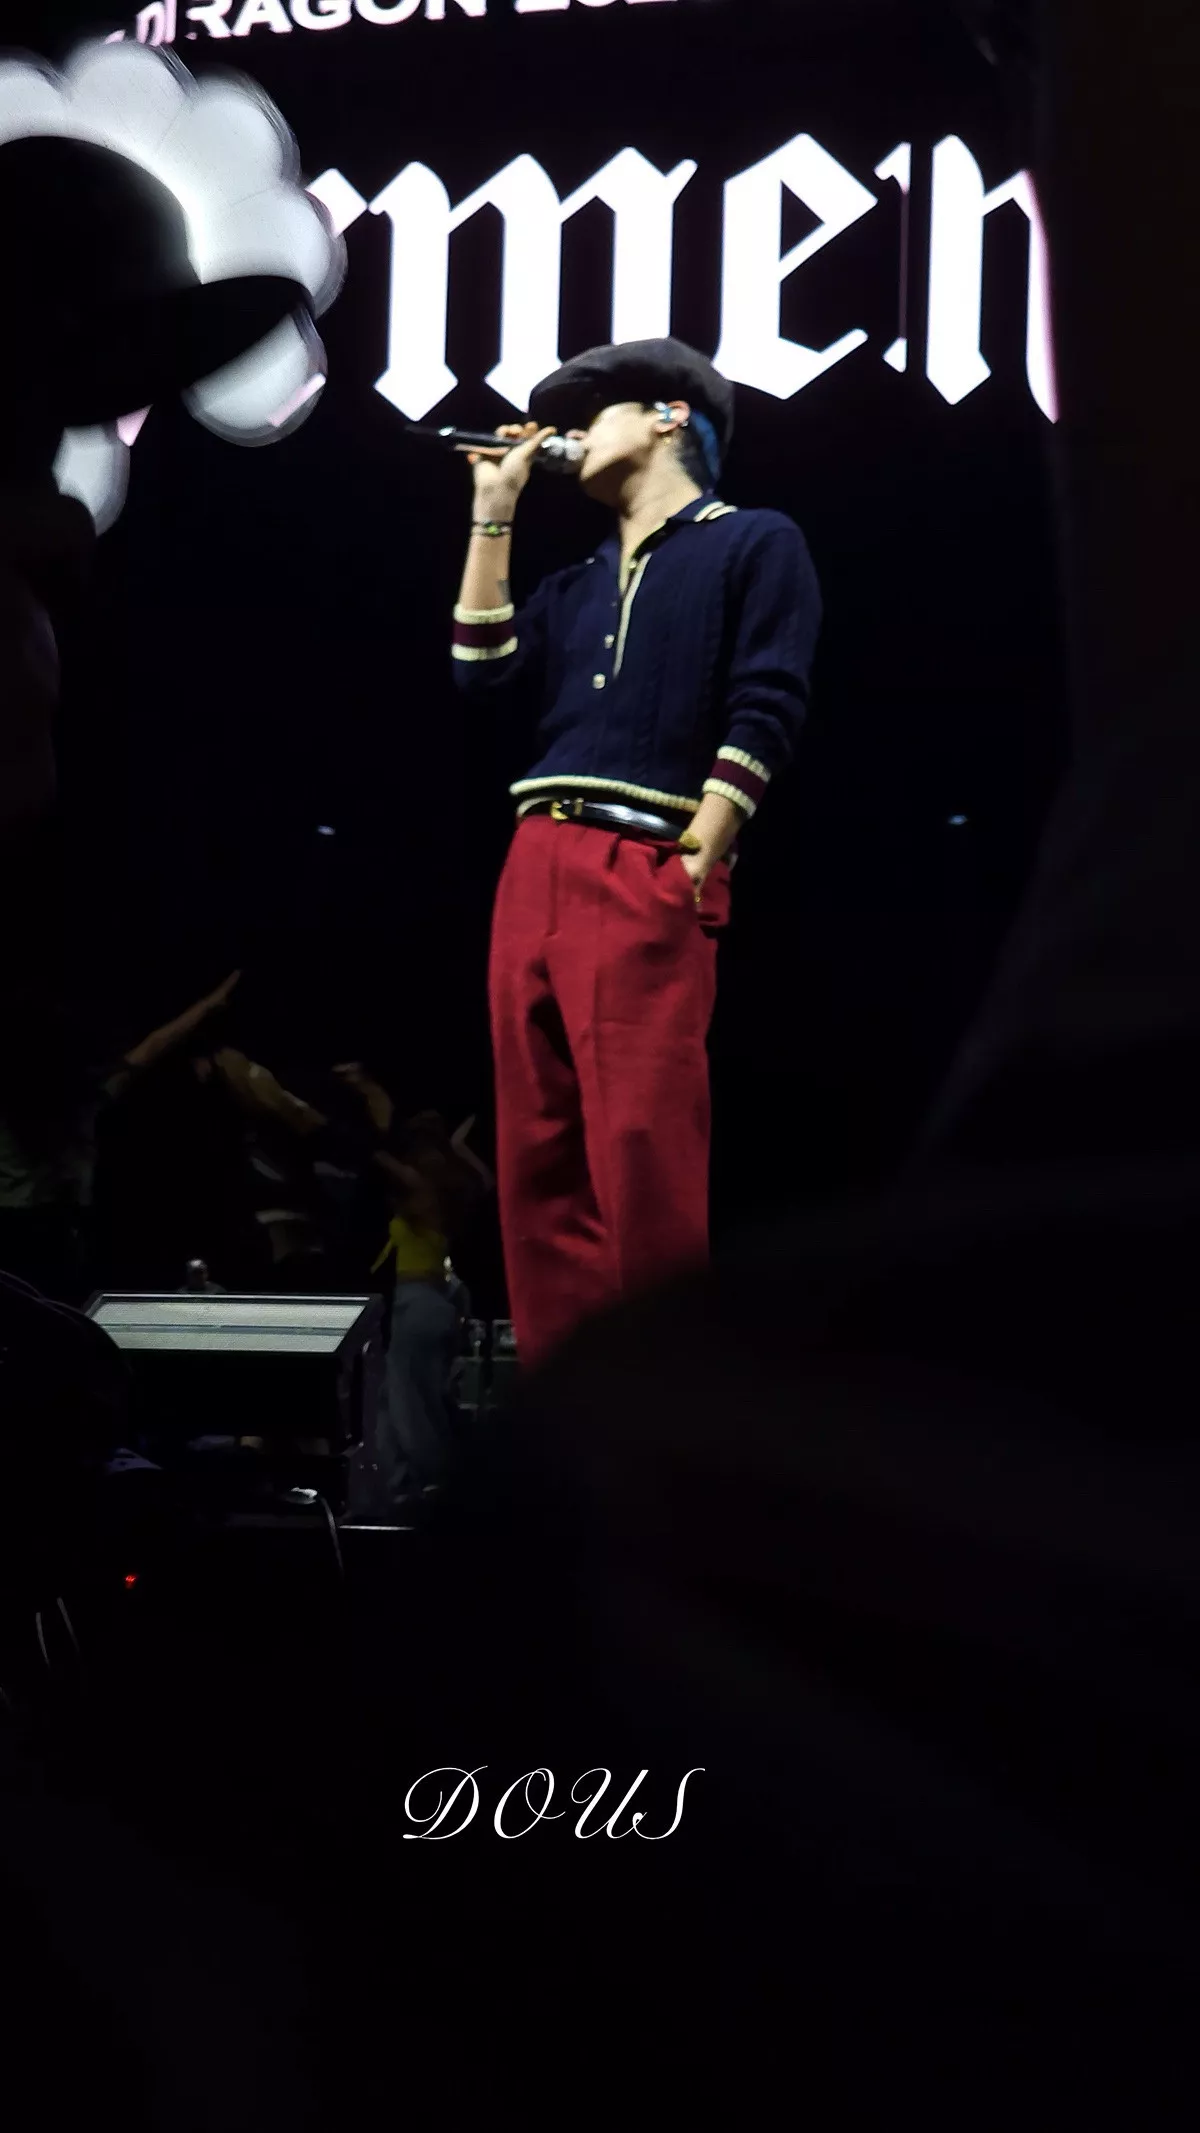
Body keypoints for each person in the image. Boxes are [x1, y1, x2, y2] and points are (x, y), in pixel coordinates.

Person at [452, 339, 822, 1368]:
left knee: (640, 1146)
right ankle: (566, 1402)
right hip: (537, 857)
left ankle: (666, 1400)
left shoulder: (750, 539)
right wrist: (494, 509)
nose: (570, 436)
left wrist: (704, 847)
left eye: (595, 413)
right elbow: (481, 670)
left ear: (669, 417)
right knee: (539, 1155)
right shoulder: (575, 583)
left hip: (644, 859)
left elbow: (770, 692)